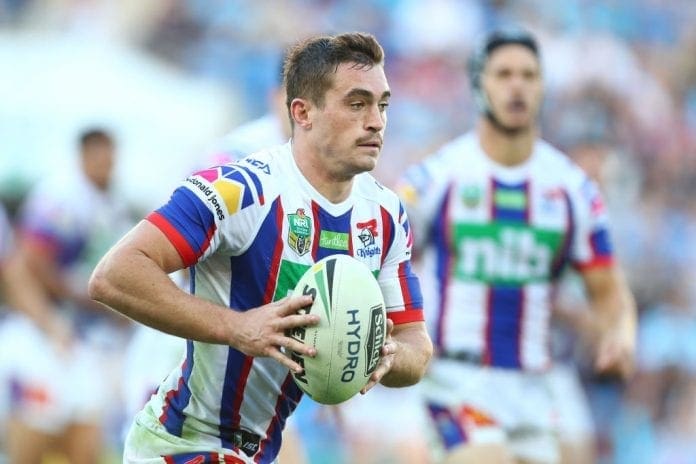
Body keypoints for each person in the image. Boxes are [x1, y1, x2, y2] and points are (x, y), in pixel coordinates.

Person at [88, 32, 433, 464]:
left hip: (258, 447)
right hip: (182, 441)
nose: (376, 122)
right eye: (357, 104)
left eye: (382, 105)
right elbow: (113, 275)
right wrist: (237, 327)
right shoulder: (241, 188)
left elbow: (416, 345)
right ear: (302, 112)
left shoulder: (385, 214)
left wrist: (382, 355)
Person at [397, 28, 636, 464]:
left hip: (534, 385)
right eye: (504, 74)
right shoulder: (436, 179)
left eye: (529, 75)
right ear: (479, 85)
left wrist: (619, 335)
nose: (517, 86)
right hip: (456, 378)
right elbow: (383, 260)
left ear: (543, 87)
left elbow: (608, 290)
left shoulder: (573, 190)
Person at [3, 128, 134, 464]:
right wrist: (82, 297)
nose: (106, 165)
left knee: (87, 438)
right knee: (35, 432)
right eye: (99, 157)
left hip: (89, 340)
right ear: (84, 155)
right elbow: (31, 260)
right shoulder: (61, 196)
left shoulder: (114, 204)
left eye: (110, 158)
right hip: (45, 334)